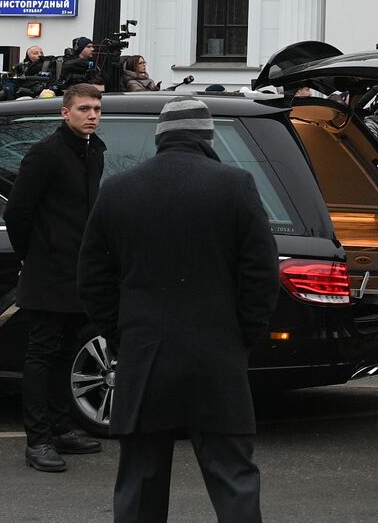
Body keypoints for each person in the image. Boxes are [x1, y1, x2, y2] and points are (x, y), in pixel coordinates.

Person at [78, 98, 278, 523]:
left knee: (140, 482)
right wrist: (243, 335)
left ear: (160, 137)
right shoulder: (235, 184)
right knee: (233, 478)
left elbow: (92, 278)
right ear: (208, 137)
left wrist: (121, 334)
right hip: (217, 352)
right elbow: (260, 274)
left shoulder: (118, 189)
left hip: (144, 353)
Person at [4, 83, 107, 473]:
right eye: (84, 108)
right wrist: (31, 255)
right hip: (48, 271)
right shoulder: (45, 153)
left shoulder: (94, 152)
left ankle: (62, 427)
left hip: (81, 271)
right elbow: (17, 212)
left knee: (68, 352)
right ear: (65, 112)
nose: (92, 114)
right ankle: (39, 439)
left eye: (97, 108)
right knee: (43, 354)